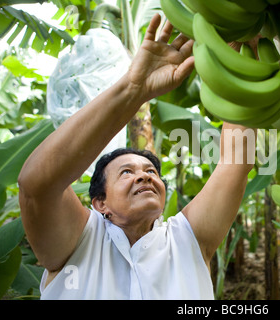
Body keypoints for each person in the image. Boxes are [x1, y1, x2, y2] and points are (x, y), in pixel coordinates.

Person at [18, 14, 256, 299]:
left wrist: (247, 55)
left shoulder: (187, 239)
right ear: (100, 202)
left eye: (152, 172)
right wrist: (135, 89)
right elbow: (36, 186)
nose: (145, 175)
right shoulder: (78, 242)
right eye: (126, 172)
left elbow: (236, 159)